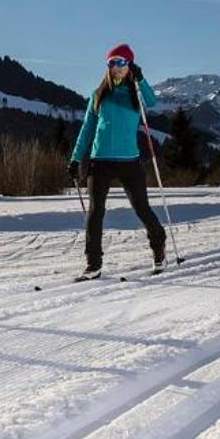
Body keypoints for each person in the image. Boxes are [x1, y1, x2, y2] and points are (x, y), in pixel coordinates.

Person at [70, 43, 168, 279]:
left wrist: (141, 79)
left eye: (121, 62)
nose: (116, 67)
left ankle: (159, 247)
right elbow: (87, 129)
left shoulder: (135, 94)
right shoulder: (98, 95)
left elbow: (153, 102)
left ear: (129, 65)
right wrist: (75, 158)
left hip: (129, 161)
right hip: (100, 160)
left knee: (141, 208)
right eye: (112, 63)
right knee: (95, 212)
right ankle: (93, 264)